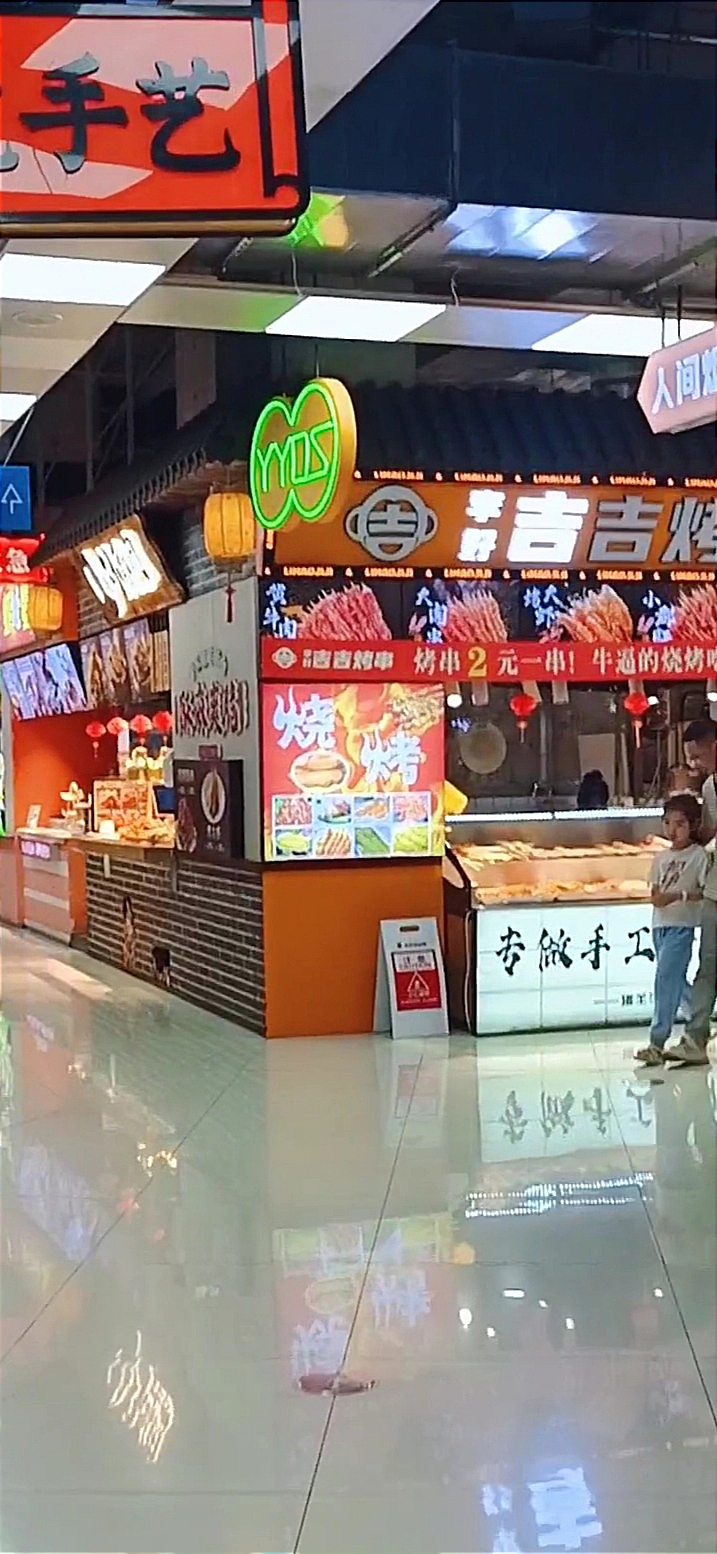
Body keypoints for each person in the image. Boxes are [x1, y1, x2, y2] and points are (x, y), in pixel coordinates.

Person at [635, 793, 709, 1067]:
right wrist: (658, 897)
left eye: (680, 824)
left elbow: (705, 891)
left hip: (682, 925)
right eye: (667, 823)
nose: (672, 830)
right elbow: (655, 889)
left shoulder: (699, 856)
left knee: (665, 980)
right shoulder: (661, 858)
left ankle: (657, 1042)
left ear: (692, 825)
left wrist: (679, 896)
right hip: (660, 925)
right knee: (674, 979)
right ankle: (698, 1022)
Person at [664, 720, 717, 1065]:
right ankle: (695, 1039)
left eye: (698, 756)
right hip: (715, 889)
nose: (694, 764)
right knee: (708, 964)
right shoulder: (710, 786)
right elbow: (710, 830)